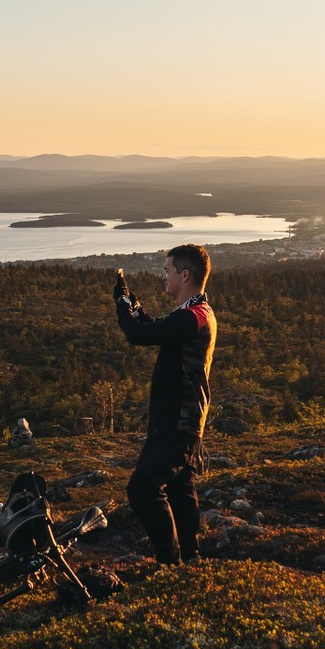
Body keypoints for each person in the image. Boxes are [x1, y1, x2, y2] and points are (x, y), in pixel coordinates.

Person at [113, 243, 217, 568]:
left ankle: (170, 564)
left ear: (185, 274)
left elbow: (139, 335)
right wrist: (134, 306)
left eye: (168, 271)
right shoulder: (194, 313)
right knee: (179, 488)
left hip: (177, 422)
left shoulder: (193, 317)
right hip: (180, 421)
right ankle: (191, 557)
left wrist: (122, 305)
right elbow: (154, 329)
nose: (164, 277)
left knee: (142, 489)